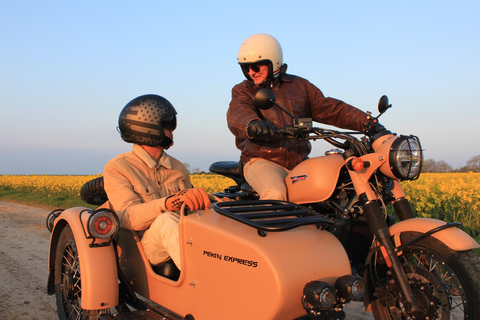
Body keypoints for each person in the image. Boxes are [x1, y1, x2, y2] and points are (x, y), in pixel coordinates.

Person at [227, 33, 373, 200]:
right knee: (275, 193)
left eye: (256, 66)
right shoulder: (243, 90)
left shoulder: (299, 86)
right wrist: (252, 124)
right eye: (246, 68)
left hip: (300, 162)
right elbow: (238, 112)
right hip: (262, 160)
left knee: (333, 192)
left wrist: (366, 122)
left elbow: (330, 109)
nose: (251, 72)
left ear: (273, 61)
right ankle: (263, 226)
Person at [103, 94, 210, 271]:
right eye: (167, 125)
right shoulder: (118, 167)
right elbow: (128, 218)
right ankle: (207, 284)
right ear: (148, 128)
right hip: (141, 248)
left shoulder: (178, 168)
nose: (172, 130)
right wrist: (169, 203)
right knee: (165, 220)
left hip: (183, 238)